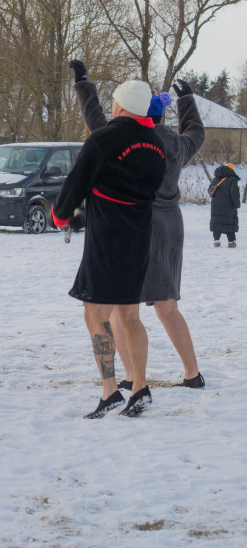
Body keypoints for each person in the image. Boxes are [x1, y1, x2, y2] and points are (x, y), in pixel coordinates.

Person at [70, 61, 206, 391]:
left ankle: (132, 376)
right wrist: (187, 99)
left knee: (120, 306)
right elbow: (197, 134)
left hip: (133, 224)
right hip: (169, 226)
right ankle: (192, 373)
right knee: (167, 306)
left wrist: (84, 84)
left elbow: (95, 121)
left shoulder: (124, 140)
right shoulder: (173, 143)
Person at [52, 79, 166, 418]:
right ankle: (141, 385)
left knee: (96, 314)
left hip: (106, 241)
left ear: (118, 105)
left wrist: (62, 216)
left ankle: (110, 390)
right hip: (140, 237)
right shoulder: (156, 144)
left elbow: (75, 183)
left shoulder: (103, 140)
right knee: (130, 316)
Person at [209, 162, 241, 248]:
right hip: (229, 205)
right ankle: (231, 242)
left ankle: (216, 241)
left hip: (216, 206)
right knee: (230, 223)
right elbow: (234, 193)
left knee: (217, 222)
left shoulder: (215, 179)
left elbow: (210, 191)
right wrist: (237, 204)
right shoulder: (232, 180)